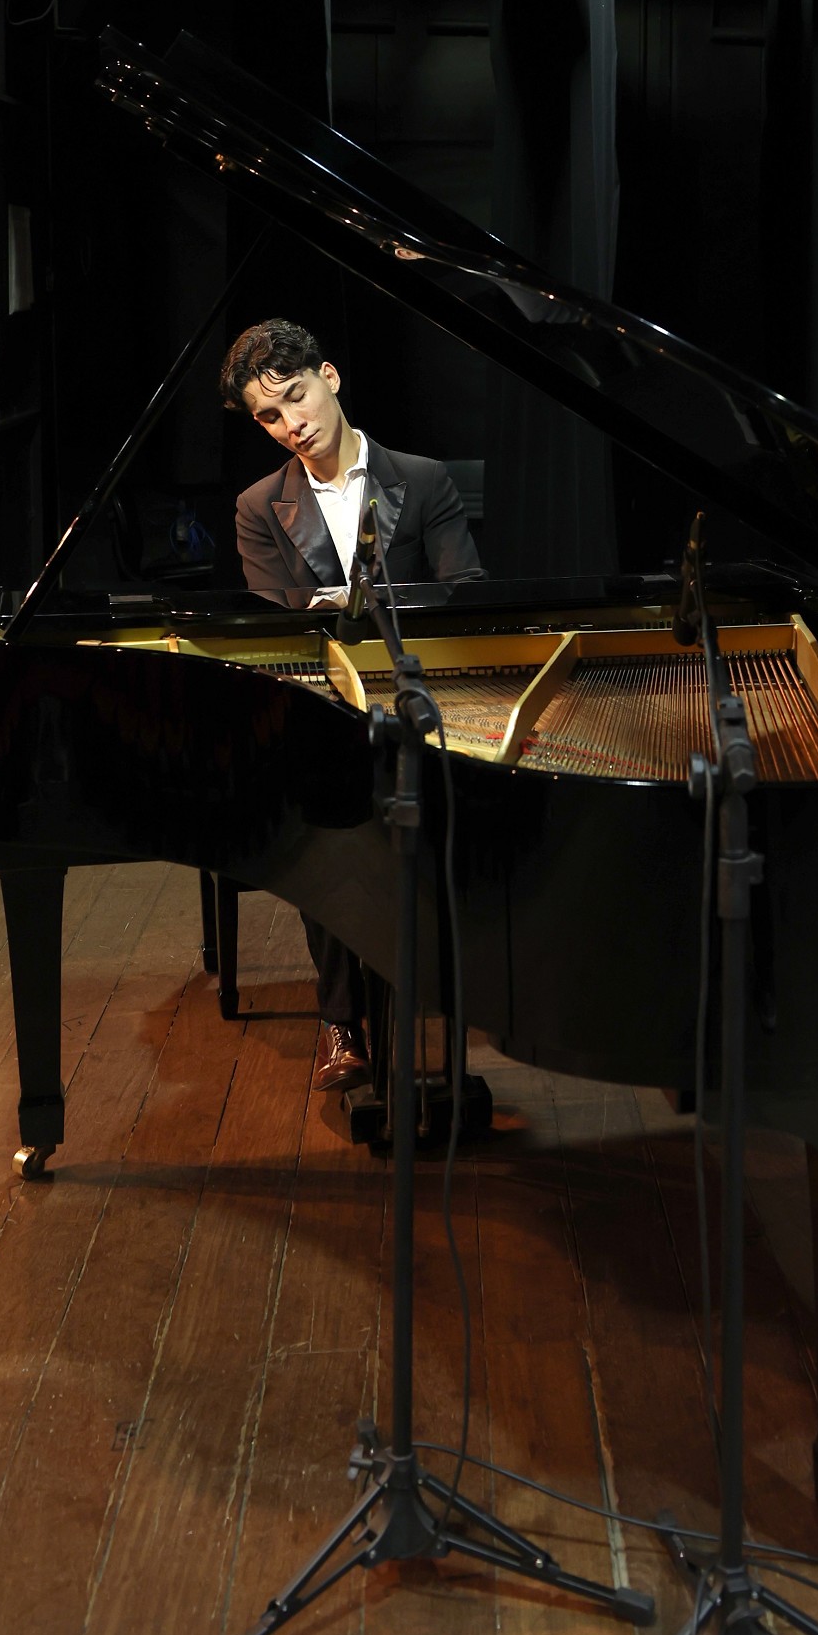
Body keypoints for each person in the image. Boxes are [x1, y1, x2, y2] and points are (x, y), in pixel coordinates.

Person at [219, 316, 485, 1093]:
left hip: (422, 697)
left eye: (296, 397)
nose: (290, 425)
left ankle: (438, 995)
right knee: (327, 817)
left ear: (329, 377)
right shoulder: (259, 505)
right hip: (324, 703)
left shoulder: (423, 479)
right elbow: (276, 621)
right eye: (269, 417)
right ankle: (342, 1019)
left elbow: (466, 593)